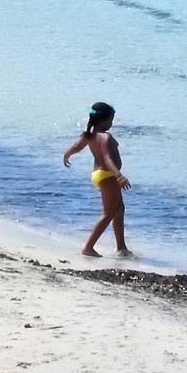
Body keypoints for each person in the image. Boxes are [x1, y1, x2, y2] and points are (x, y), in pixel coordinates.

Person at [63, 102, 132, 258]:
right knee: (108, 213)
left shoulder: (89, 135)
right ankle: (88, 247)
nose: (112, 123)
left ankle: (121, 247)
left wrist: (67, 154)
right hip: (108, 176)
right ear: (103, 120)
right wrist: (119, 176)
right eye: (111, 120)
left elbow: (76, 147)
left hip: (99, 175)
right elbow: (107, 158)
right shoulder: (105, 137)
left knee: (119, 210)